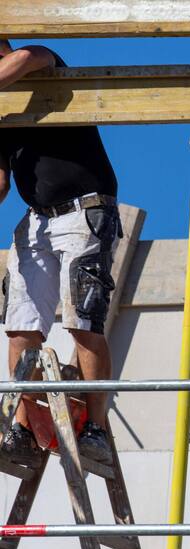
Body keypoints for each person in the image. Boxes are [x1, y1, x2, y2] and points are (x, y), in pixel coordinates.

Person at [0, 39, 121, 466]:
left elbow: (27, 58)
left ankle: (95, 429)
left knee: (82, 322)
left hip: (84, 210)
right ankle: (22, 428)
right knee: (20, 329)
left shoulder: (42, 68)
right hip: (37, 219)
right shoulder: (3, 116)